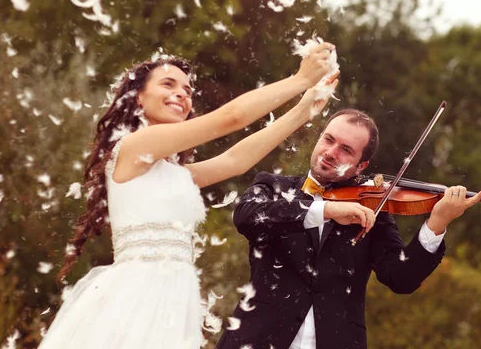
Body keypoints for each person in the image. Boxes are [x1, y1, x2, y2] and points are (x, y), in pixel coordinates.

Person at [37, 42, 338, 349]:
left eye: (188, 89)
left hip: (173, 299)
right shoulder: (135, 146)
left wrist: (303, 111)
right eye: (168, 84)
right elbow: (231, 118)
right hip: (135, 296)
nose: (182, 93)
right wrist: (300, 79)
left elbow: (235, 161)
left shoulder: (175, 172)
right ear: (138, 96)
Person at [217, 109, 481, 349]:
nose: (331, 152)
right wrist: (327, 210)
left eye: (346, 149)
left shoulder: (372, 212)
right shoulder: (274, 187)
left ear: (361, 166)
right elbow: (247, 217)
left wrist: (437, 223)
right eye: (328, 139)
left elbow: (401, 278)